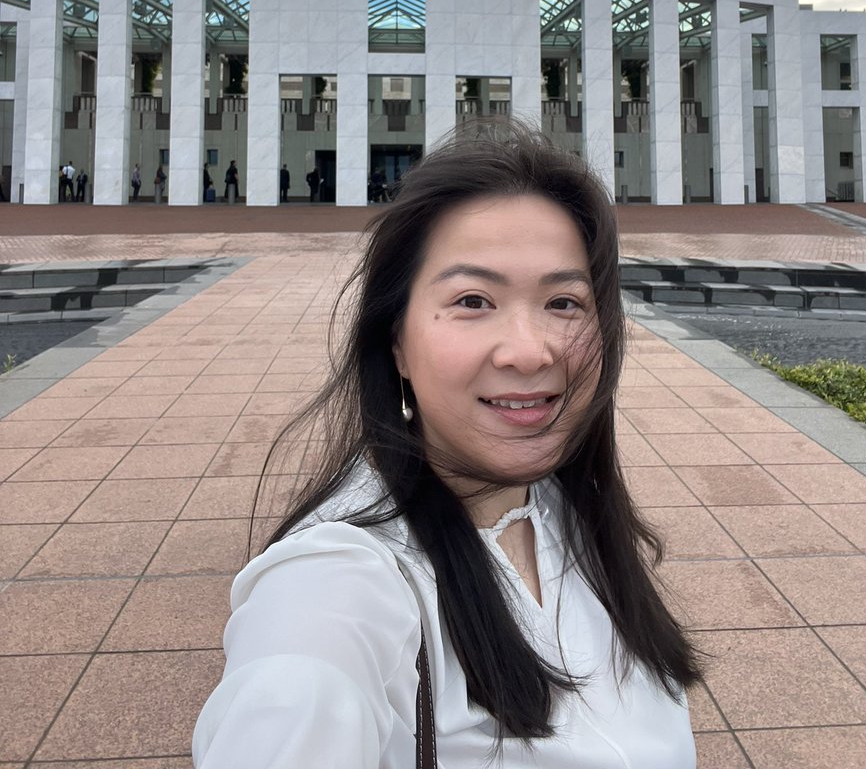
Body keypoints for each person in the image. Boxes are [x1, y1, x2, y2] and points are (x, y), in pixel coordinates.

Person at [193, 123, 700, 768]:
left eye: (564, 302)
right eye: (472, 300)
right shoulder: (336, 585)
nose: (530, 350)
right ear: (396, 341)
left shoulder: (566, 511)